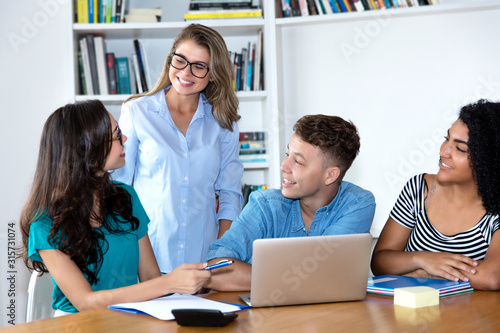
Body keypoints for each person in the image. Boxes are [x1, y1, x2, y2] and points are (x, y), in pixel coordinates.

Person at [19, 100, 211, 315]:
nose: (125, 139)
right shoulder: (45, 222)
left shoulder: (125, 197)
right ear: (87, 148)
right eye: (117, 134)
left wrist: (181, 285)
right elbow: (86, 302)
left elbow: (150, 277)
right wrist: (171, 283)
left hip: (131, 318)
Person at [112, 24, 243, 274]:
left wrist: (220, 254)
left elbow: (229, 193)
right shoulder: (137, 112)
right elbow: (120, 189)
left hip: (203, 260)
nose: (186, 72)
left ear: (213, 74)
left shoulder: (224, 123)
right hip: (146, 259)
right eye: (180, 60)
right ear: (170, 59)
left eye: (199, 66)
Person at [203, 114, 376, 291]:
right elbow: (215, 268)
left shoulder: (357, 204)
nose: (284, 166)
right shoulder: (265, 205)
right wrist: (298, 280)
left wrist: (258, 277)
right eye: (287, 155)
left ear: (330, 175)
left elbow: (325, 272)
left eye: (298, 162)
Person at [371, 100, 500, 291]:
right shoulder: (419, 189)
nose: (443, 151)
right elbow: (380, 261)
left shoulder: (495, 209)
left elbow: (491, 277)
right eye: (446, 139)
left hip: (467, 318)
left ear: (487, 161)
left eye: (460, 148)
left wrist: (424, 274)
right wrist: (423, 258)